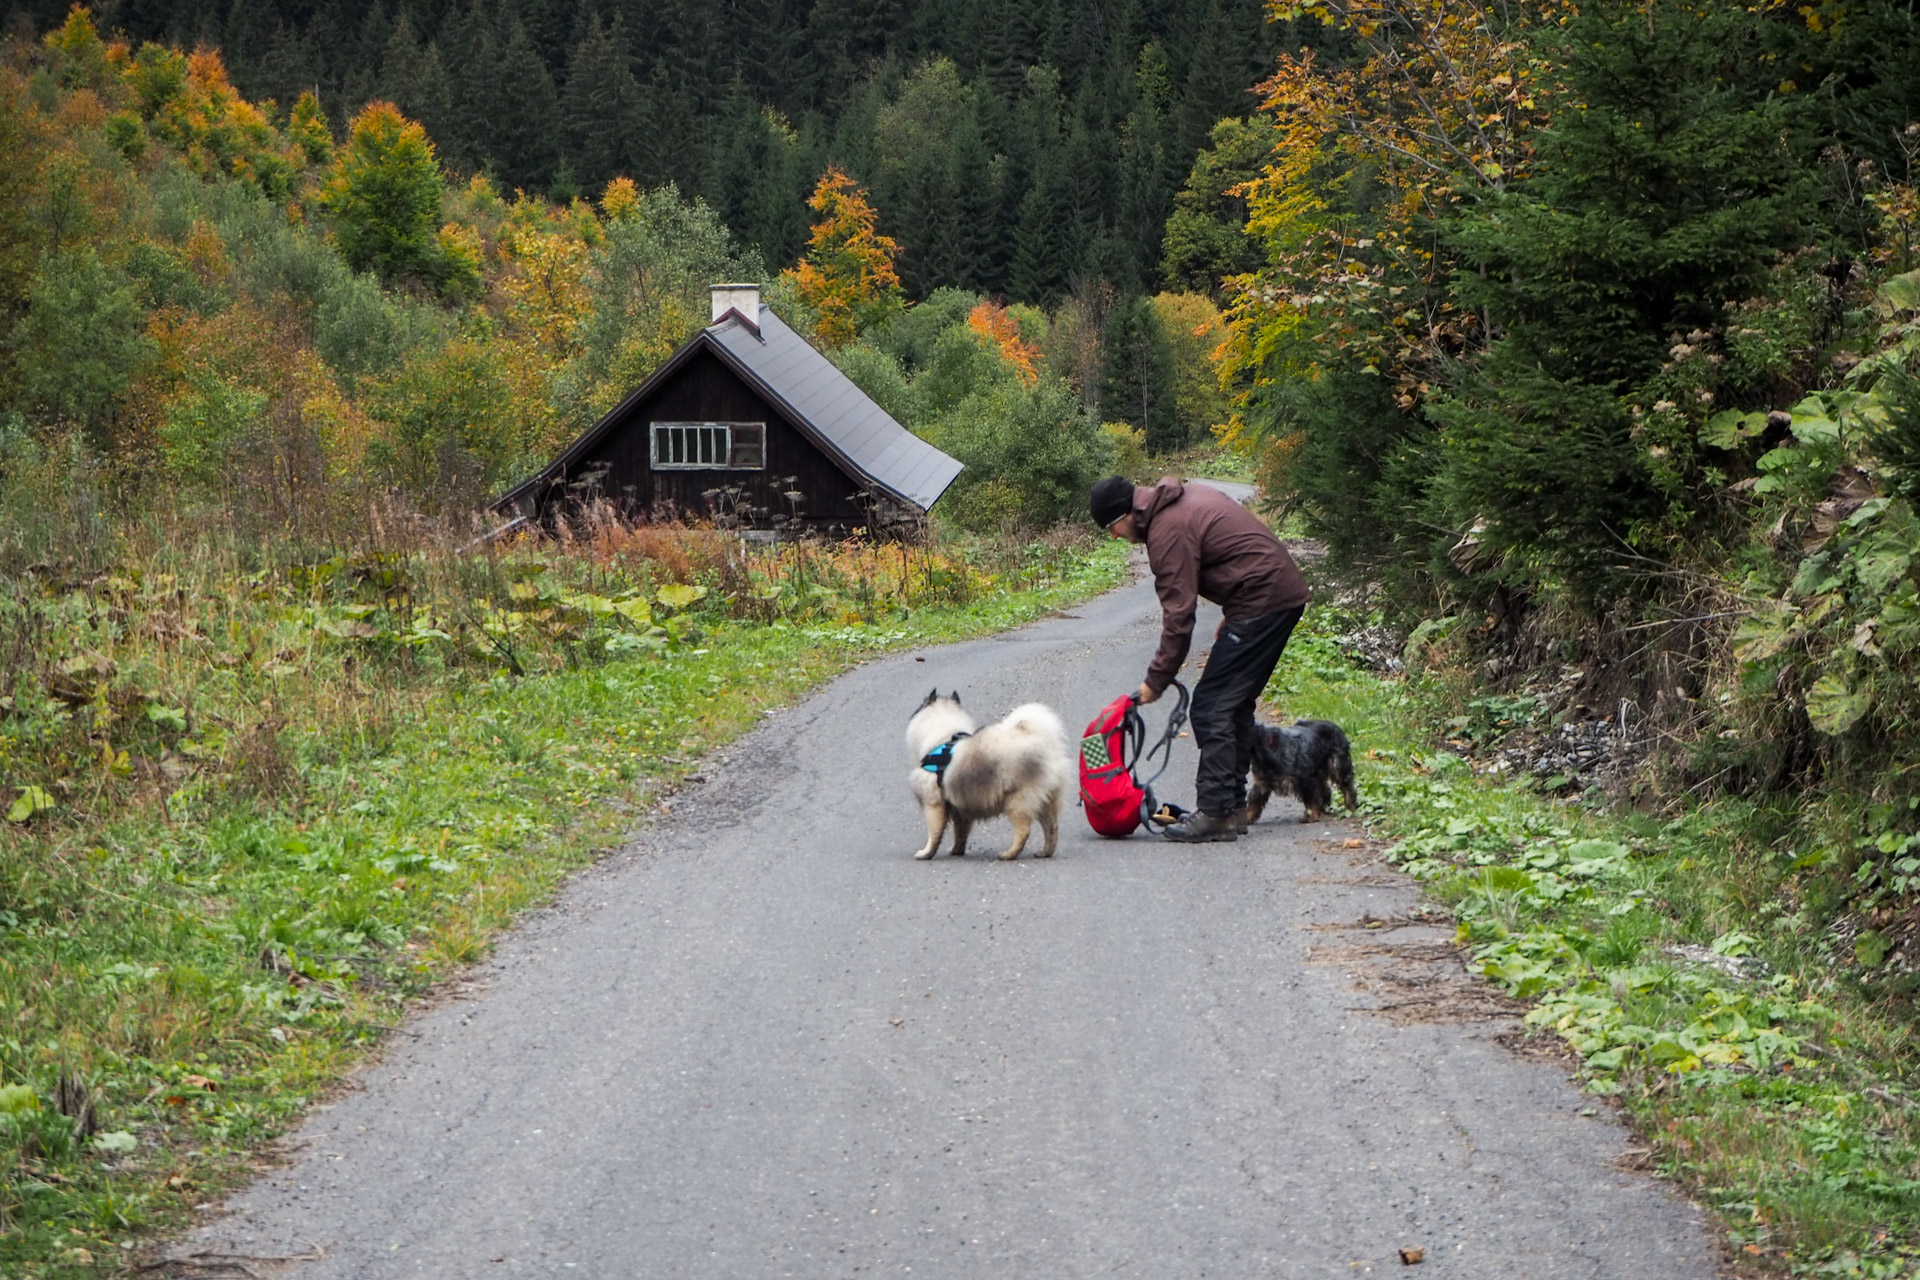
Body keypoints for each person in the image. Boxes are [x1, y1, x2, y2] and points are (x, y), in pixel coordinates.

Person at [1088, 475, 1309, 842]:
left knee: (1211, 707)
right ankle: (1232, 808)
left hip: (1265, 600)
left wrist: (1155, 681)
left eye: (1112, 527)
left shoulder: (1166, 531)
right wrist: (1236, 610)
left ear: (1126, 513)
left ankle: (1217, 812)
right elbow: (1237, 554)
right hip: (1270, 596)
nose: (1114, 536)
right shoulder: (1181, 501)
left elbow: (1179, 616)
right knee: (1232, 704)